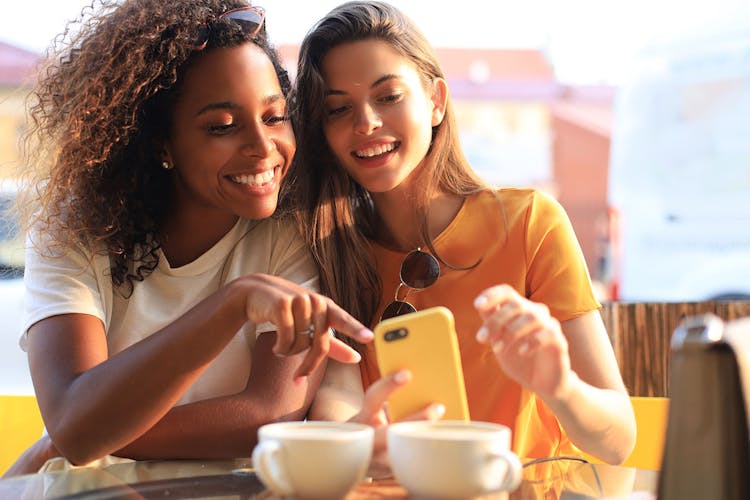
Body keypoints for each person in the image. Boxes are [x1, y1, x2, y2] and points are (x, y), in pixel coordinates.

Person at [4, 0, 376, 477]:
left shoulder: (291, 230)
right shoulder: (76, 228)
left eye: (274, 117)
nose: (263, 149)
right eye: (222, 126)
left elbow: (272, 415)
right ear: (161, 143)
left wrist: (73, 438)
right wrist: (231, 305)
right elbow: (75, 422)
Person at [290, 0, 637, 464]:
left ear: (436, 101)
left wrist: (562, 390)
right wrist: (356, 438)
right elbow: (340, 396)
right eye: (338, 109)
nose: (366, 122)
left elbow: (618, 441)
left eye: (388, 96)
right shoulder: (332, 249)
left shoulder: (531, 222)